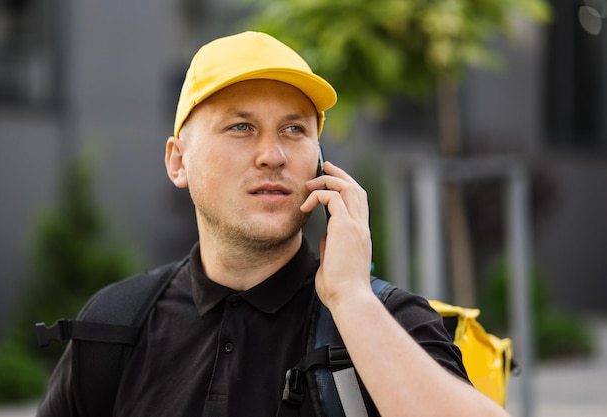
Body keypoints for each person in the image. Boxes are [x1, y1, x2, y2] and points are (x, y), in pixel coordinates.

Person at [36, 31, 511, 417]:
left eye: (294, 129)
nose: (272, 155)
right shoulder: (115, 323)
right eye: (241, 127)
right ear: (178, 162)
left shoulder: (387, 322)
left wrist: (352, 300)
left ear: (321, 164)